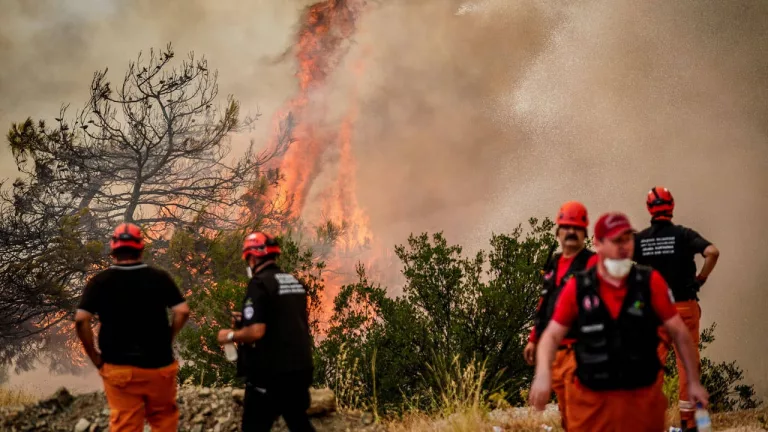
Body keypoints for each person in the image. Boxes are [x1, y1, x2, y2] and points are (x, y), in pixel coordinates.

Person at [530, 212, 708, 432]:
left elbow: (680, 333)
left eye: (627, 239)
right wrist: (543, 375)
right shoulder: (579, 288)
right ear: (598, 244)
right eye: (616, 240)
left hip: (641, 403)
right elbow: (552, 335)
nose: (623, 247)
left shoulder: (650, 283)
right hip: (593, 402)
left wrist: (693, 382)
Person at [75, 222, 190, 432]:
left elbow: (82, 319)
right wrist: (168, 338)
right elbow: (182, 311)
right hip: (159, 366)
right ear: (141, 248)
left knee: (125, 424)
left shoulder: (100, 282)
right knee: (164, 421)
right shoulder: (159, 278)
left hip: (119, 368)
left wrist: (95, 357)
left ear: (113, 251)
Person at [634, 186, 720, 431]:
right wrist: (701, 279)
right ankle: (689, 424)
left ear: (649, 208)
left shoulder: (641, 239)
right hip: (684, 309)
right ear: (672, 207)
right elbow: (712, 252)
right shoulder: (683, 235)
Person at [217, 232, 315, 432]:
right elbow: (283, 318)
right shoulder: (292, 281)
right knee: (298, 422)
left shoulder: (259, 283)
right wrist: (245, 319)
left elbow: (256, 331)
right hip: (300, 369)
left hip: (270, 375)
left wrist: (229, 335)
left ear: (252, 257)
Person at [524, 201, 597, 430]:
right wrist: (534, 338)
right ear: (558, 232)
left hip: (580, 351)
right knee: (566, 416)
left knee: (582, 415)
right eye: (567, 227)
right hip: (555, 352)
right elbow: (545, 302)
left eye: (577, 228)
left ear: (585, 232)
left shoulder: (592, 263)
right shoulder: (554, 262)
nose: (572, 232)